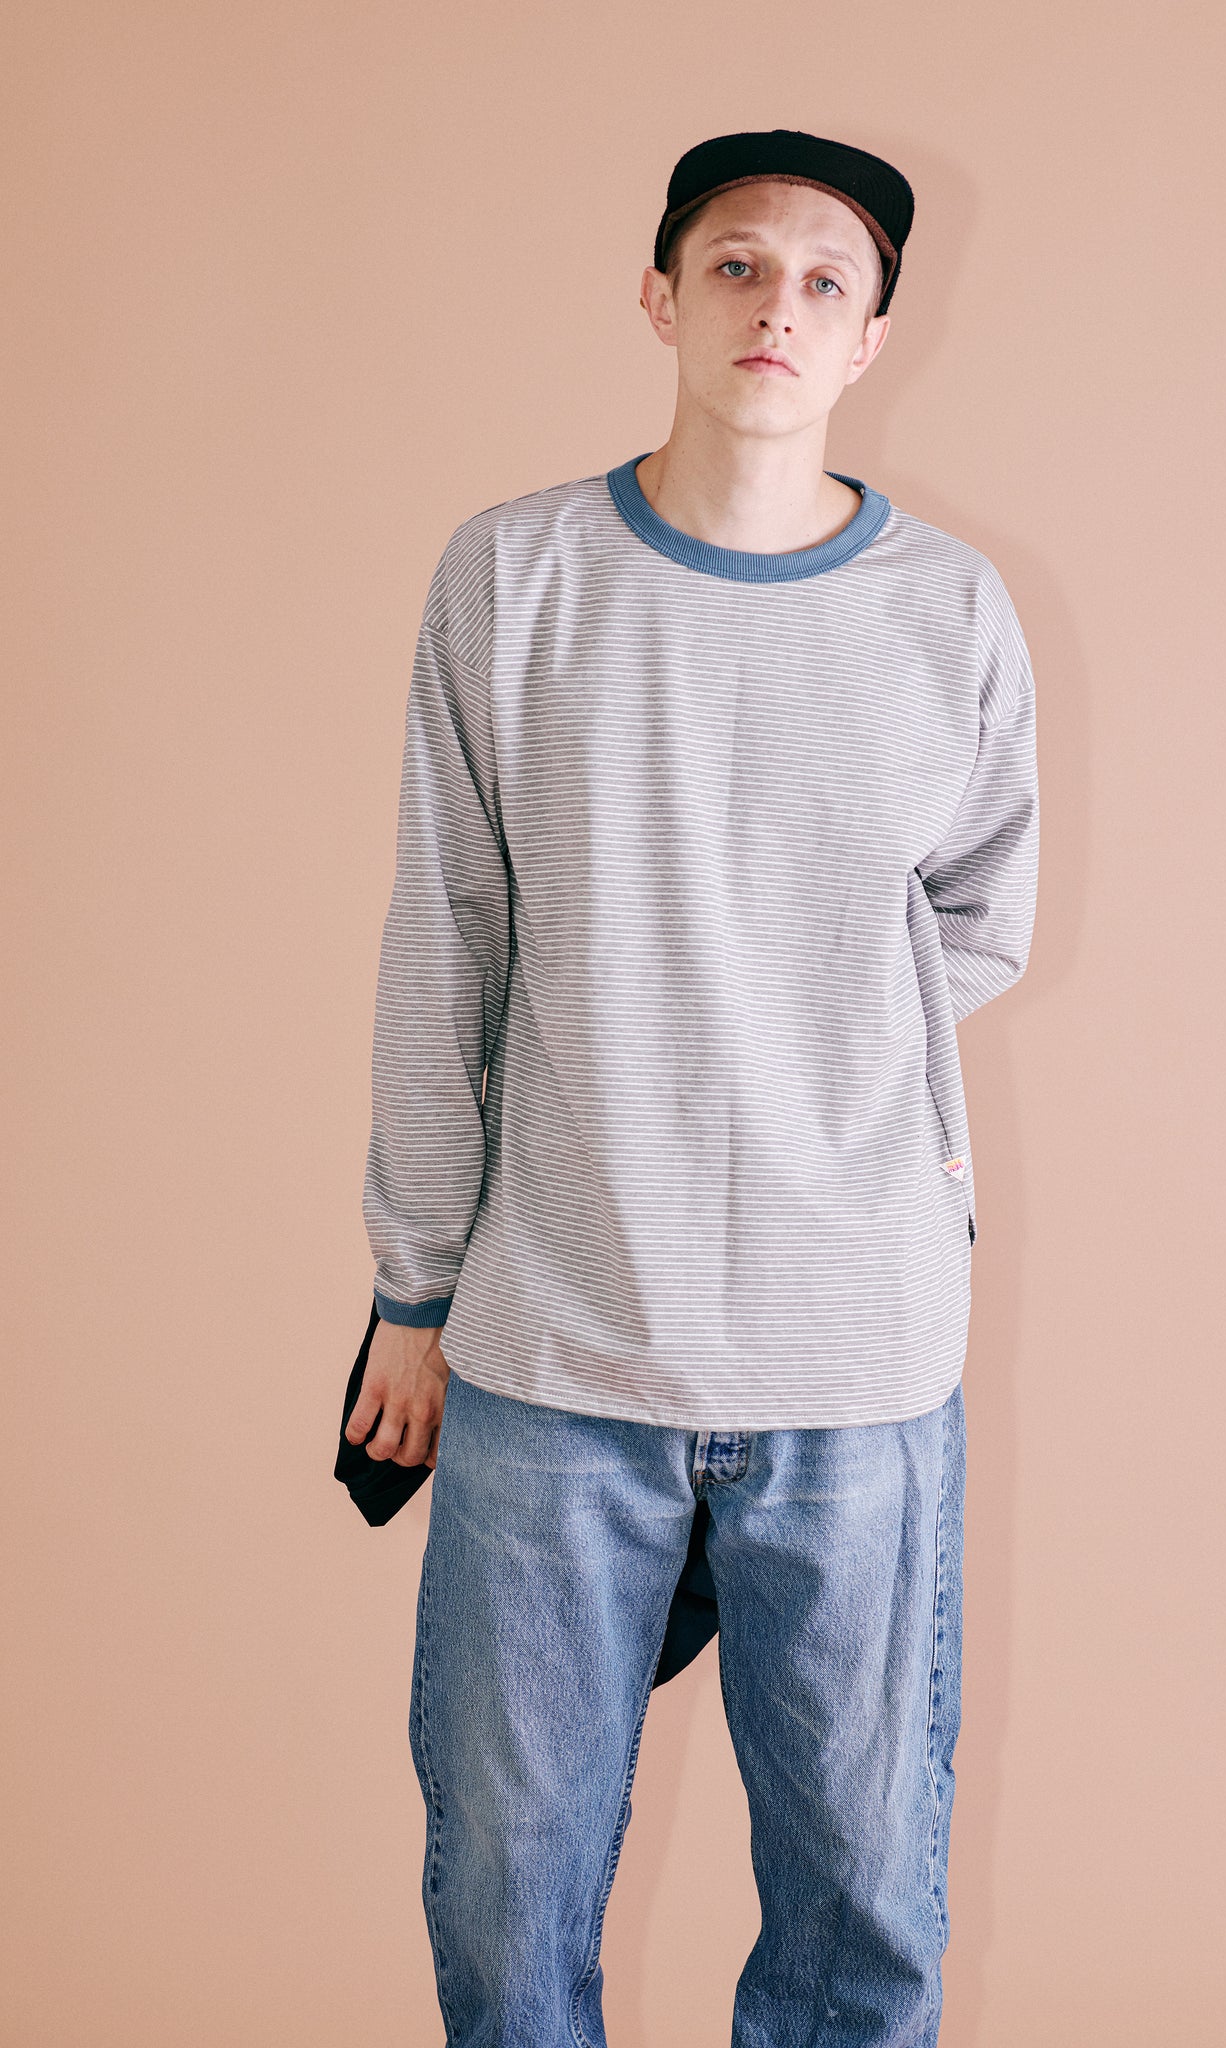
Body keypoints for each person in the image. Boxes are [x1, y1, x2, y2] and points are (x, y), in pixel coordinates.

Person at [347, 126, 1040, 2048]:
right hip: (557, 1346)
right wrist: (413, 1287)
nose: (776, 308)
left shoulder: (952, 612)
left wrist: (794, 1033)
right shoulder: (514, 576)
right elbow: (446, 940)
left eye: (825, 282)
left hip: (858, 1358)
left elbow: (982, 916)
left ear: (874, 336)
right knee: (506, 1894)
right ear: (660, 296)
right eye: (736, 266)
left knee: (862, 1906)